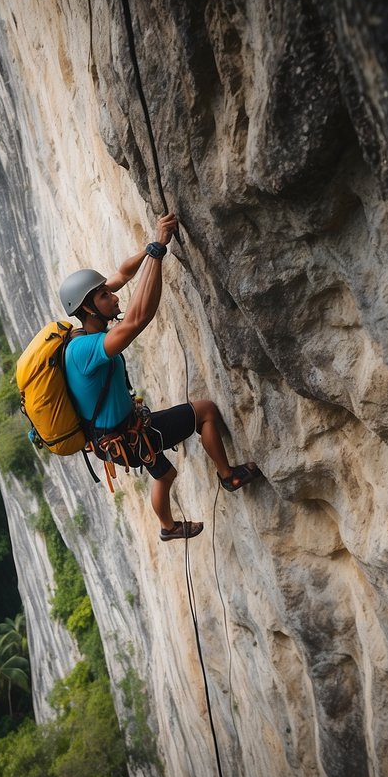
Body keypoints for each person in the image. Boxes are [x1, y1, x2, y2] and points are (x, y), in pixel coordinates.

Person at [59, 212, 260, 541]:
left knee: (165, 475)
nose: (114, 297)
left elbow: (123, 274)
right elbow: (136, 319)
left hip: (122, 435)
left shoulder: (84, 327)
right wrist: (157, 252)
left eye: (108, 292)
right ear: (87, 308)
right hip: (125, 438)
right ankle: (228, 476)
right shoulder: (86, 349)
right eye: (104, 297)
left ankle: (168, 528)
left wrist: (153, 240)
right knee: (205, 411)